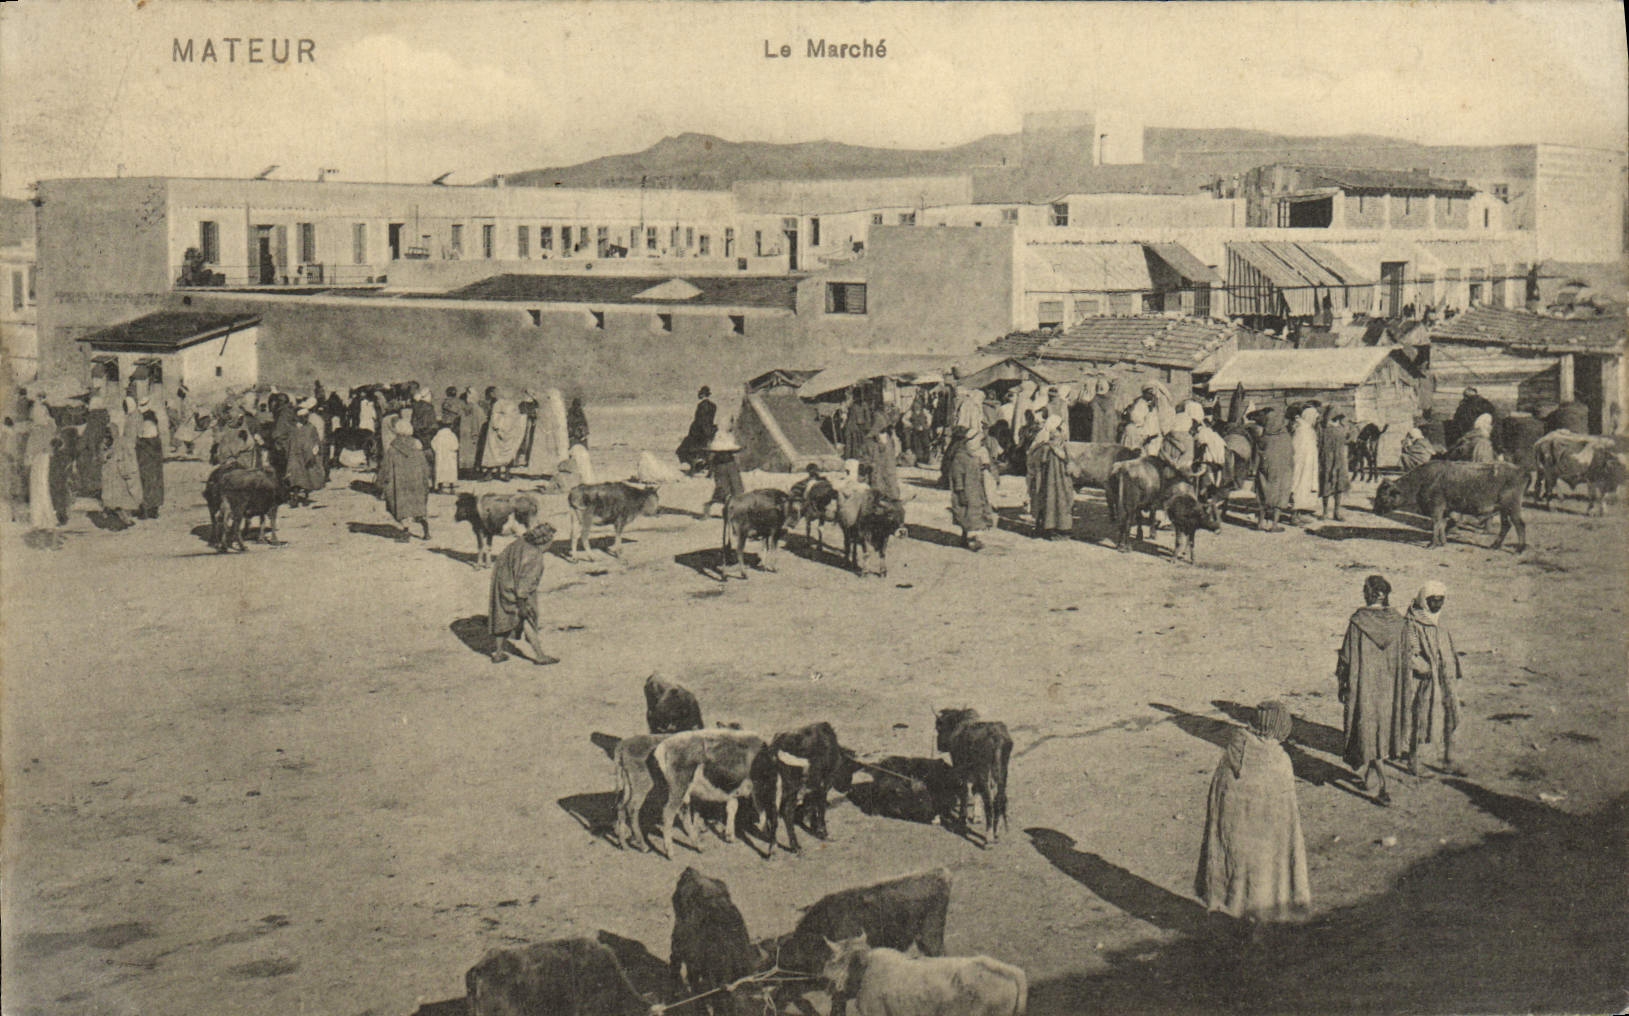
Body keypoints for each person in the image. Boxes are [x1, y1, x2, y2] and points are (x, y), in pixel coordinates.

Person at [1196, 701, 1312, 923]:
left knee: (1234, 881)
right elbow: (1285, 813)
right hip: (1263, 841)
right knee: (1261, 888)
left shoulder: (1233, 750)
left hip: (1233, 837)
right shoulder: (1277, 760)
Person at [1335, 575, 1408, 805]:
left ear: (1370, 593)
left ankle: (1383, 786)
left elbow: (1345, 658)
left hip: (1364, 687)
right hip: (1389, 689)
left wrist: (1343, 684)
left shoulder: (1359, 621)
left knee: (1366, 729)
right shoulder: (1399, 622)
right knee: (1384, 731)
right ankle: (1373, 773)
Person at [1405, 581, 1463, 777]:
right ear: (1425, 600)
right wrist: (1423, 668)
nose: (1438, 604)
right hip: (1424, 679)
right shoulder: (1413, 621)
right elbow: (1409, 651)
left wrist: (1454, 670)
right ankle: (1414, 760)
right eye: (1434, 600)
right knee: (1420, 718)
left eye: (1441, 600)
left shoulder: (1443, 619)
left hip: (1446, 676)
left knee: (1451, 714)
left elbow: (1449, 645)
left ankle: (1449, 759)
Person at [487, 521, 559, 665]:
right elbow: (524, 585)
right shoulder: (535, 555)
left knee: (502, 617)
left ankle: (499, 653)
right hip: (517, 590)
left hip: (502, 584)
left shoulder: (519, 543)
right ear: (545, 540)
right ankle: (540, 656)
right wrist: (522, 605)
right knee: (528, 619)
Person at [377, 417, 431, 540]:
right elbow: (425, 467)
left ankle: (406, 531)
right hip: (416, 481)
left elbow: (385, 468)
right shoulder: (417, 447)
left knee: (402, 508)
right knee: (418, 506)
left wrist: (380, 482)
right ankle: (426, 529)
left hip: (400, 483)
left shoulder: (392, 449)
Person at [944, 425, 993, 551]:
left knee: (973, 516)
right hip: (965, 492)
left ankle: (966, 537)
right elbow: (957, 476)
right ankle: (972, 541)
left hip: (975, 491)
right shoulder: (960, 457)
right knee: (968, 515)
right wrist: (960, 492)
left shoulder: (974, 455)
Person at [1028, 411, 1073, 540]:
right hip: (1049, 481)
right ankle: (1049, 529)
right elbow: (1038, 461)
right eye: (1055, 432)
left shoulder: (1063, 446)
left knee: (1062, 503)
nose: (1056, 435)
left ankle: (1062, 529)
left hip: (1062, 480)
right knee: (1049, 502)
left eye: (1058, 432)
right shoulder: (1044, 446)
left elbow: (1069, 460)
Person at [1254, 407, 1293, 532]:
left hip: (1265, 470)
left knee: (1263, 493)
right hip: (1282, 470)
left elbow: (1258, 453)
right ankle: (1274, 525)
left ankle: (1260, 523)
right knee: (1281, 494)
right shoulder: (1285, 437)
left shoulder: (1264, 437)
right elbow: (1292, 453)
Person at [100, 420, 141, 529]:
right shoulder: (105, 444)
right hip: (110, 475)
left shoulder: (122, 444)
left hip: (119, 475)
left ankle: (123, 518)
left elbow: (128, 458)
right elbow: (101, 457)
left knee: (121, 498)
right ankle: (117, 519)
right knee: (112, 499)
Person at [26, 399, 58, 530]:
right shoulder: (47, 426)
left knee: (40, 487)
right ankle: (41, 520)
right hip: (41, 457)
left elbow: (35, 445)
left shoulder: (42, 428)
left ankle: (45, 520)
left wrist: (29, 455)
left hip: (40, 458)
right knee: (39, 488)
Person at [699, 429, 743, 519]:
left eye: (726, 453)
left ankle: (733, 512)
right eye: (721, 453)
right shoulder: (718, 463)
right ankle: (710, 510)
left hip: (732, 476)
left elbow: (735, 477)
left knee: (736, 493)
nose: (724, 455)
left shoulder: (731, 462)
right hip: (723, 476)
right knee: (723, 493)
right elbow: (718, 476)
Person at [1319, 409, 1352, 520]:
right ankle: (1329, 512)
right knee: (1329, 484)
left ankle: (1330, 512)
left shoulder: (1337, 429)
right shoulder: (1325, 430)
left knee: (1336, 485)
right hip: (1329, 459)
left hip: (1336, 459)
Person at [1289, 405, 1320, 519]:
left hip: (1308, 465)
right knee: (1298, 488)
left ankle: (1297, 515)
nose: (1316, 421)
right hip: (1301, 465)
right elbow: (1297, 449)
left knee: (1304, 489)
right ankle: (1293, 516)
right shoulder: (1301, 430)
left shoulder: (1308, 429)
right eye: (1315, 418)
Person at [676, 386, 717, 473]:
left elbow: (701, 421)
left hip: (699, 432)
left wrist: (696, 432)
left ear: (702, 394)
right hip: (709, 430)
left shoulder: (702, 405)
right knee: (702, 451)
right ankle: (701, 465)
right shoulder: (713, 406)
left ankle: (695, 467)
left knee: (682, 451)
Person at [135, 410, 165, 520]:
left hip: (144, 460)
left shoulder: (144, 426)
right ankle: (154, 510)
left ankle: (145, 510)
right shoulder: (154, 427)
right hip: (155, 461)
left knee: (145, 483)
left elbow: (141, 443)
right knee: (155, 484)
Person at [430, 422, 459, 493]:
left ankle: (440, 488)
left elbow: (433, 444)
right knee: (451, 472)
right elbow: (455, 446)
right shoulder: (452, 435)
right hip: (450, 458)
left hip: (440, 457)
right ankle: (451, 488)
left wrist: (436, 451)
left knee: (440, 472)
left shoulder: (438, 435)